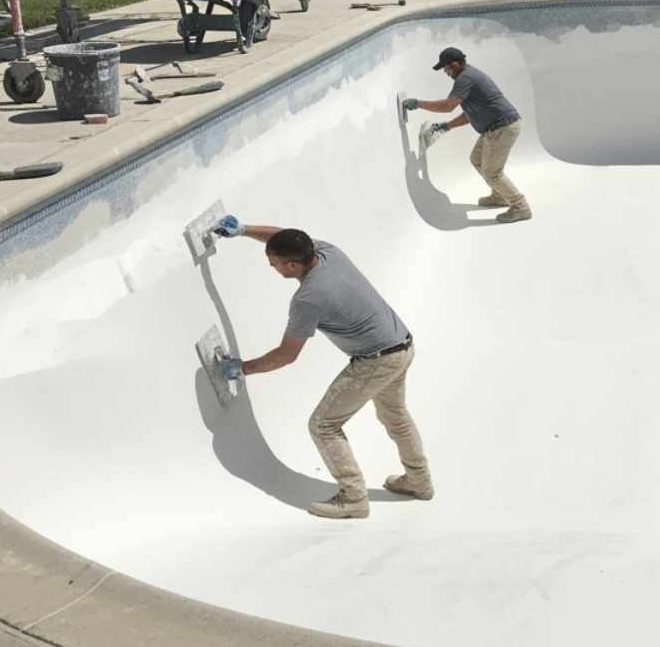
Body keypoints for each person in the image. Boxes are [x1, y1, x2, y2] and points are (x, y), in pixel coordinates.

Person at [210, 217, 434, 519]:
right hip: (402, 344)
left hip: (376, 360)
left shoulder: (307, 299)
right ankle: (419, 480)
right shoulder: (327, 252)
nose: (271, 267)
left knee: (323, 425)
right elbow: (285, 237)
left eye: (273, 263)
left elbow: (287, 355)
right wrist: (244, 231)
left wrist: (242, 368)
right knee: (395, 416)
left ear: (292, 266)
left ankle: (354, 497)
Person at [403, 47, 531, 223]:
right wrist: (447, 126)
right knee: (477, 159)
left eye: (446, 68)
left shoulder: (465, 78)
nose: (446, 72)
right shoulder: (469, 76)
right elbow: (470, 114)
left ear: (455, 64)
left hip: (502, 127)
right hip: (496, 128)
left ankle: (520, 207)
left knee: (492, 173)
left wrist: (418, 104)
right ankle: (500, 196)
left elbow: (448, 106)